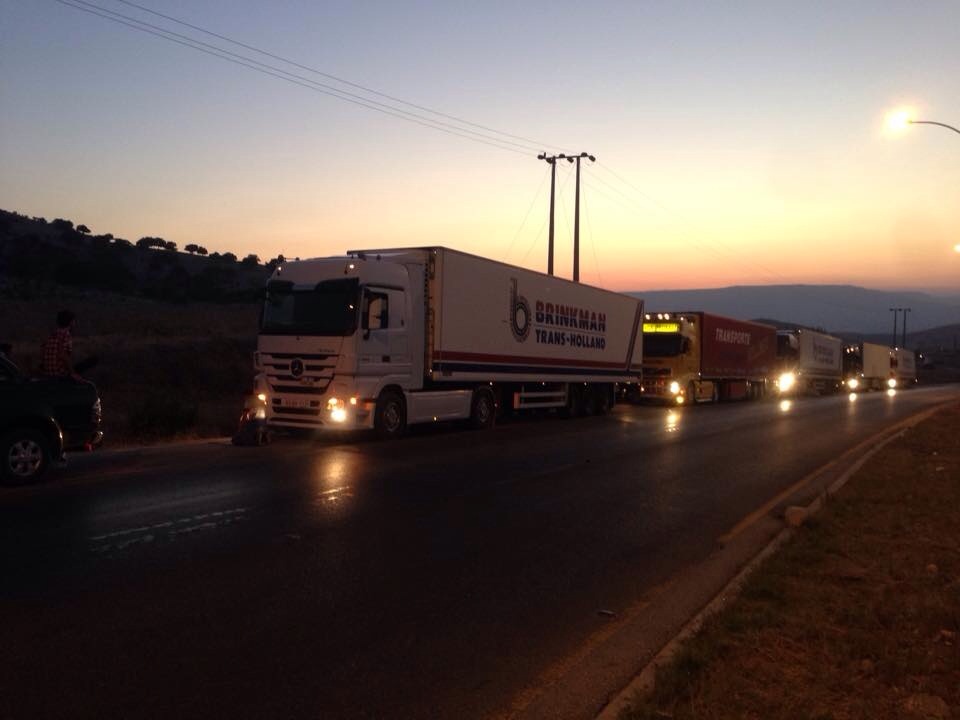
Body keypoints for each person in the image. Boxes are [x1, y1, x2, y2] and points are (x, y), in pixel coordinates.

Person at [40, 310, 80, 380]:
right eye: (74, 321)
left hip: (48, 372)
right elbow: (63, 355)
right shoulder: (66, 334)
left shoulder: (52, 335)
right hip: (60, 373)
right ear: (70, 322)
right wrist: (73, 373)